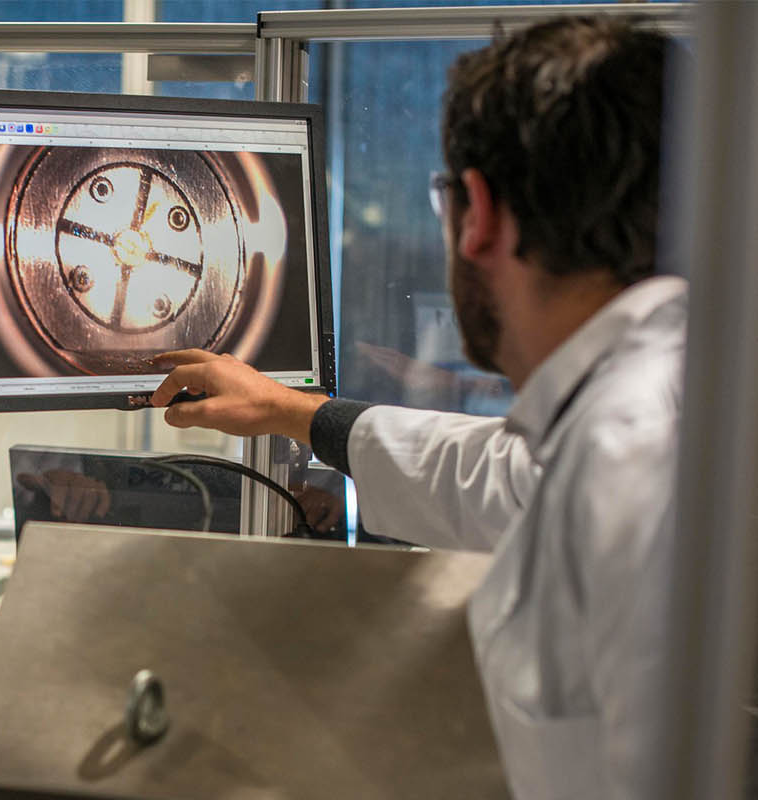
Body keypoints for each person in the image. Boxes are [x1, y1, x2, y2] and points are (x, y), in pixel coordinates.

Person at [153, 16, 679, 799]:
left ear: (479, 212)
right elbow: (503, 476)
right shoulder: (663, 393)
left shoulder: (633, 453)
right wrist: (297, 413)